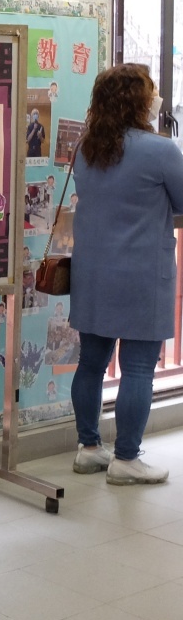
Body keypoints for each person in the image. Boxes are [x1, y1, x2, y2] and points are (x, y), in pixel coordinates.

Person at [70, 64, 183, 483]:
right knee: (137, 369)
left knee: (91, 364)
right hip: (142, 274)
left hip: (92, 272)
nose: (156, 99)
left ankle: (89, 449)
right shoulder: (161, 150)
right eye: (151, 92)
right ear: (138, 101)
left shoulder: (85, 149)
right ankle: (126, 459)